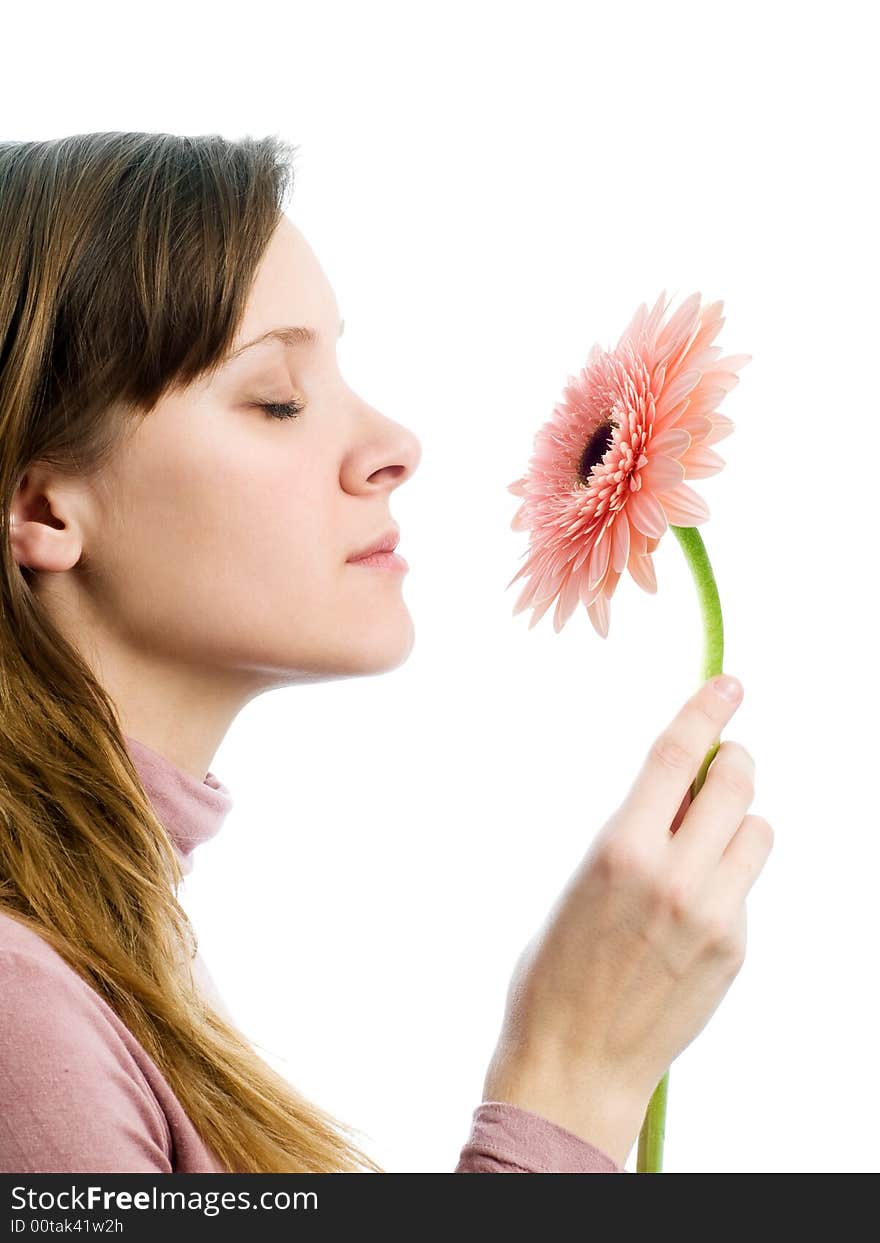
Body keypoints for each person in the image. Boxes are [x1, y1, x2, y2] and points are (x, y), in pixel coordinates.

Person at [0, 132, 773, 1174]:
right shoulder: (19, 1012)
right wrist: (572, 1075)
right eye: (277, 398)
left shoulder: (116, 961)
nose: (396, 443)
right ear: (42, 506)